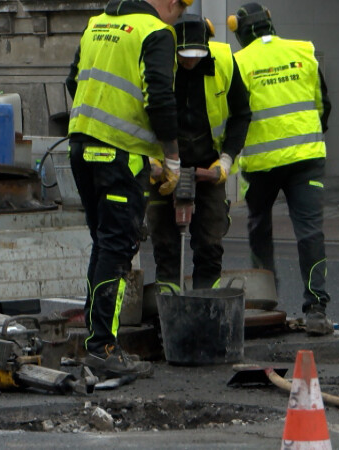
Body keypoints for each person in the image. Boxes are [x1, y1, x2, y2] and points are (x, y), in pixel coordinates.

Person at [65, 0, 190, 377]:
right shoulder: (156, 32)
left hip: (81, 147)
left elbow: (73, 80)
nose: (177, 18)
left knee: (104, 243)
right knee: (118, 249)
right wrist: (171, 157)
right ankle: (103, 347)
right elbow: (159, 97)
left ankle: (95, 340)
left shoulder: (97, 23)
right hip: (117, 156)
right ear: (171, 3)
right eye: (180, 11)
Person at [228, 3, 334, 335]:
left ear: (240, 32)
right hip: (306, 159)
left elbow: (234, 115)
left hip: (261, 166)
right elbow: (323, 105)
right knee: (310, 233)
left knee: (260, 229)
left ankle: (264, 303)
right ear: (270, 24)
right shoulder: (305, 51)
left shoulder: (239, 62)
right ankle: (316, 308)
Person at [147, 15, 250, 293]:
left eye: (196, 55)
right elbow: (139, 112)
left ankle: (207, 297)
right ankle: (167, 298)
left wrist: (225, 161)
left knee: (210, 237)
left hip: (208, 162)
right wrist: (152, 162)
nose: (189, 62)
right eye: (183, 56)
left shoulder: (224, 62)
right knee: (165, 238)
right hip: (164, 164)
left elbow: (241, 114)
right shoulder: (159, 63)